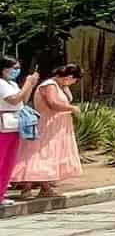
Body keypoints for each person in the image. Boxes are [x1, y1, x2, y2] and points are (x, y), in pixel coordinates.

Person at [13, 64, 84, 199]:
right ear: (69, 77)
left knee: (49, 155)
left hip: (57, 126)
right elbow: (52, 103)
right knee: (37, 153)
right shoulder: (49, 85)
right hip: (47, 124)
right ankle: (26, 188)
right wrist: (72, 108)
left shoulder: (61, 86)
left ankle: (45, 187)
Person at [1, 57, 38, 201]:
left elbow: (22, 100)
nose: (16, 71)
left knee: (9, 162)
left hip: (14, 125)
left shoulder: (12, 84)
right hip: (3, 125)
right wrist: (27, 84)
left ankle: (1, 194)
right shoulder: (1, 84)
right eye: (13, 68)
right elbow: (14, 99)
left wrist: (30, 85)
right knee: (1, 160)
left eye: (18, 68)